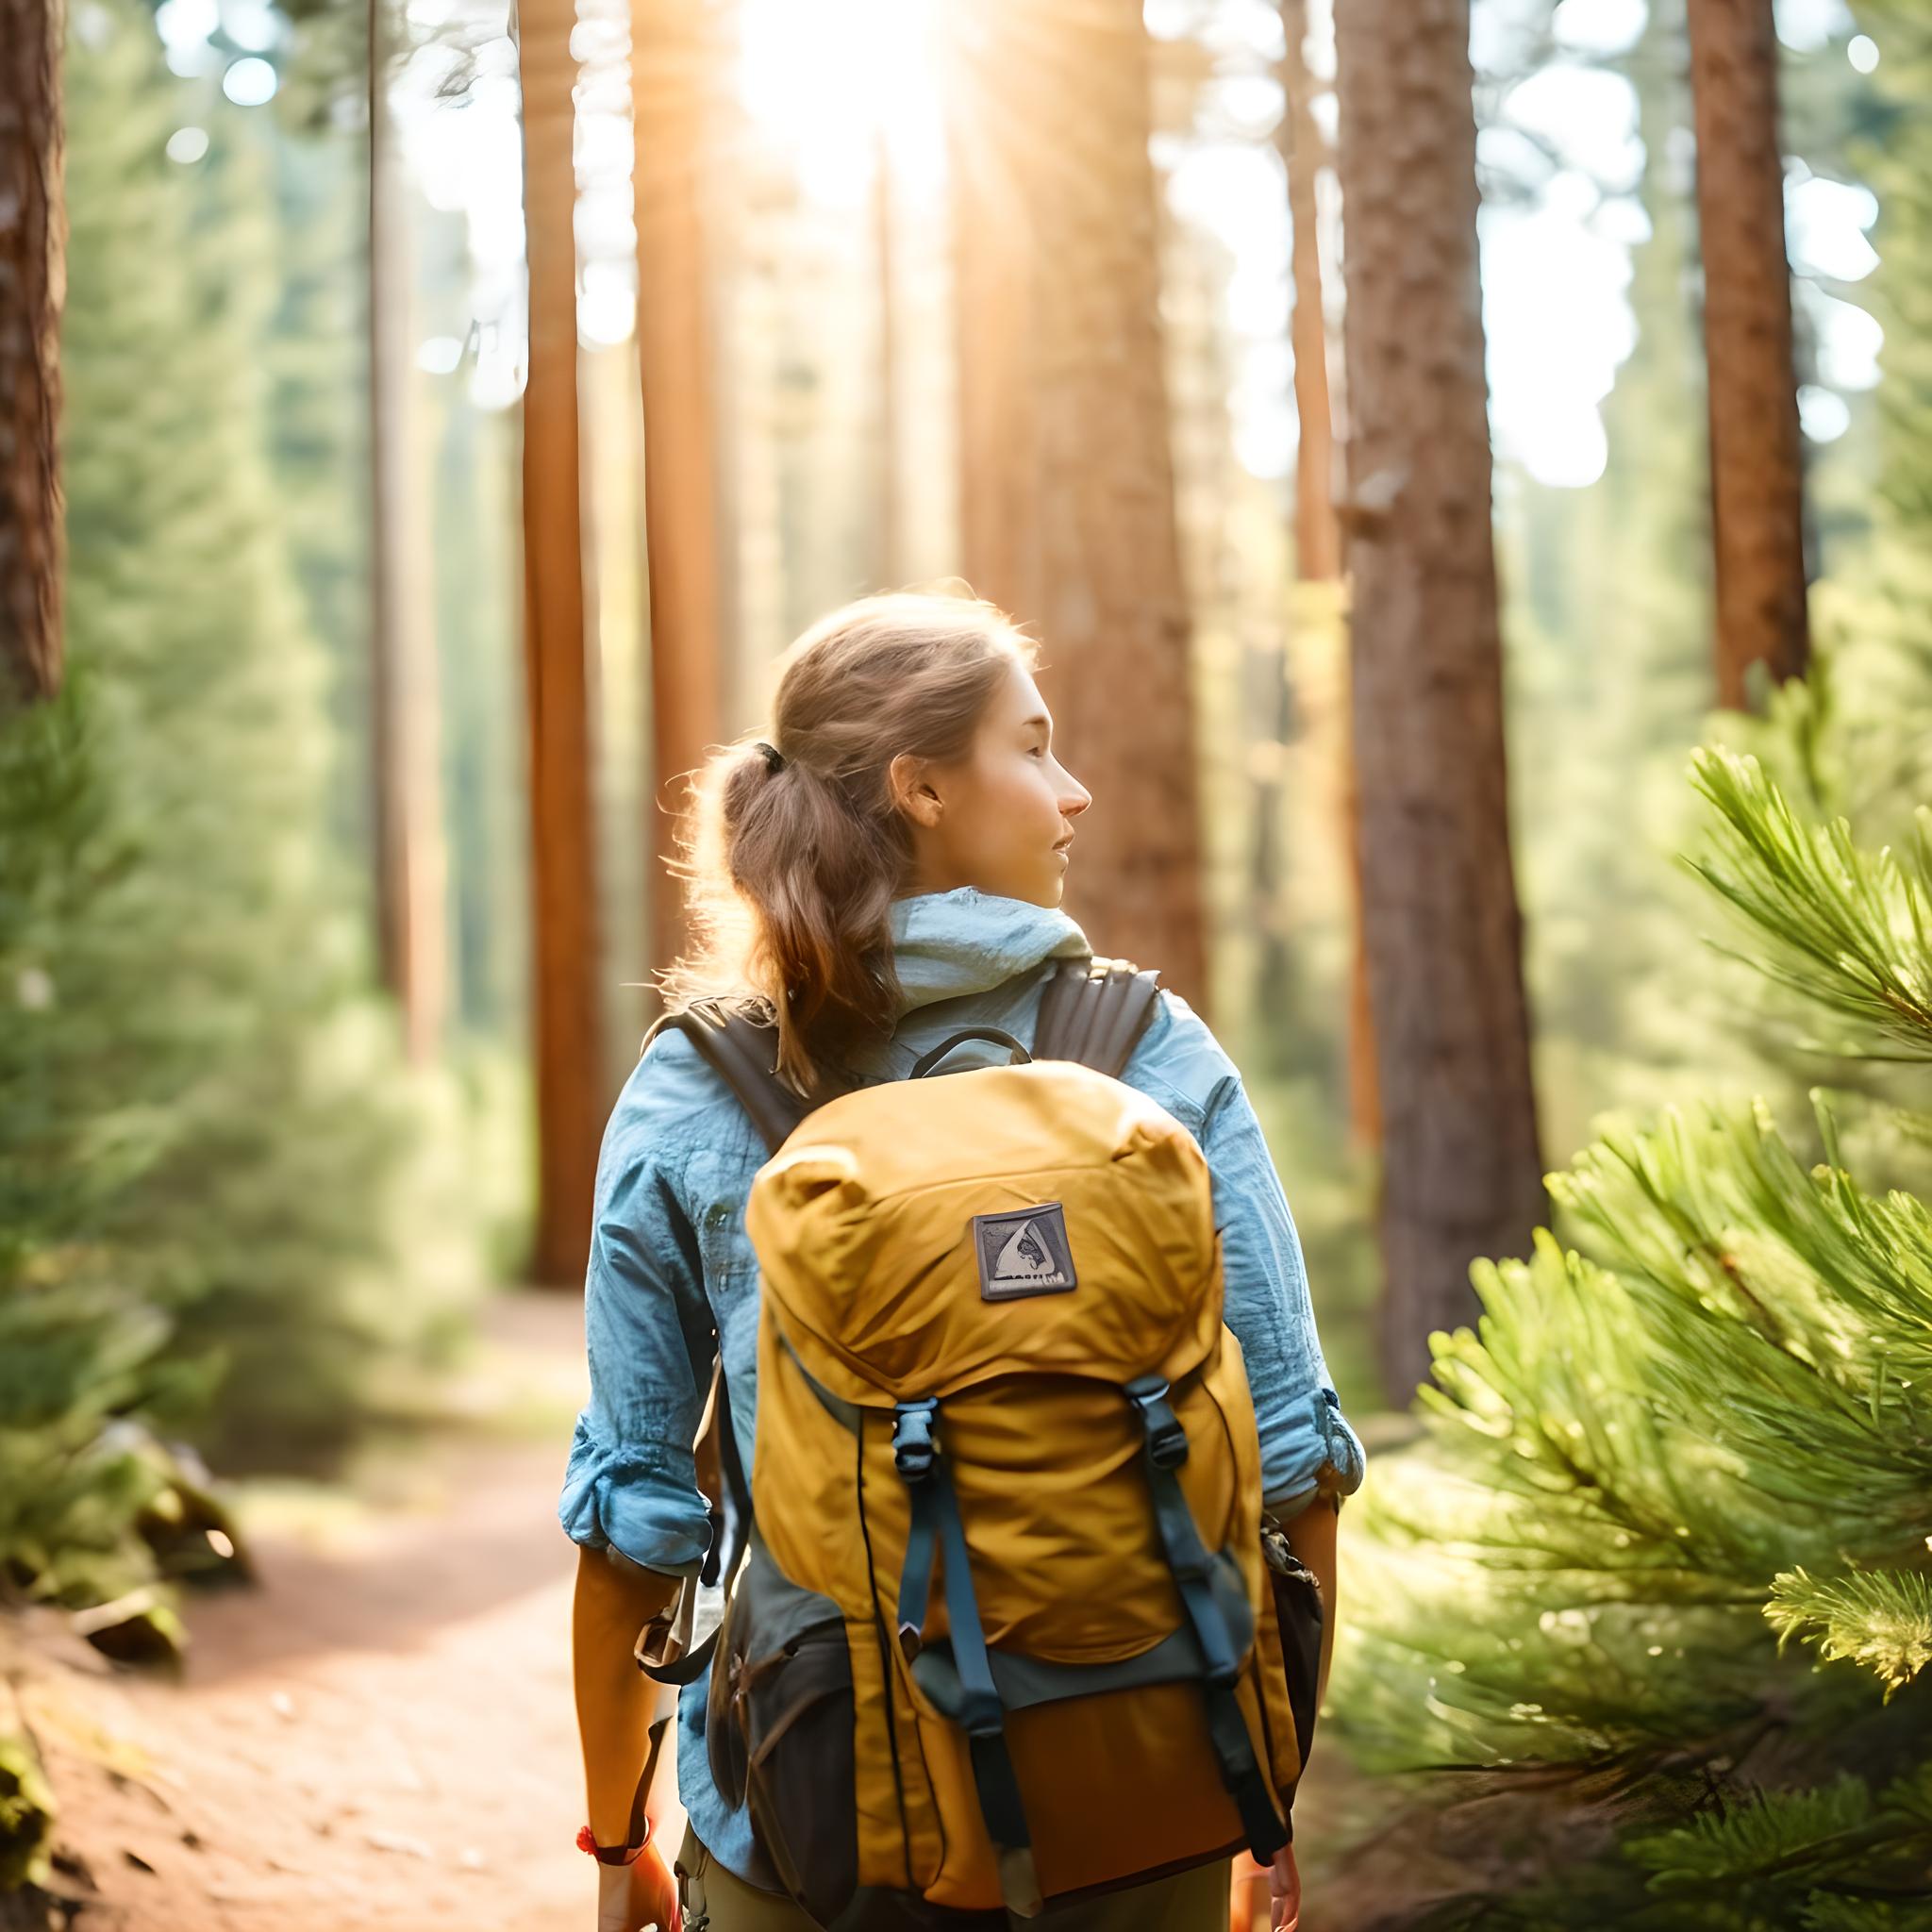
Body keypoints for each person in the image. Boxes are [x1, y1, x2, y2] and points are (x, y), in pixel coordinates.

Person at [560, 591, 1366, 1932]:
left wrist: (613, 1839)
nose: (1078, 791)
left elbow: (634, 1528)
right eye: (1034, 747)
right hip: (1140, 1806)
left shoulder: (698, 1088)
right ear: (921, 786)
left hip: (807, 1824)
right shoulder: (1152, 1058)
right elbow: (1298, 1474)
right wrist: (1260, 1800)